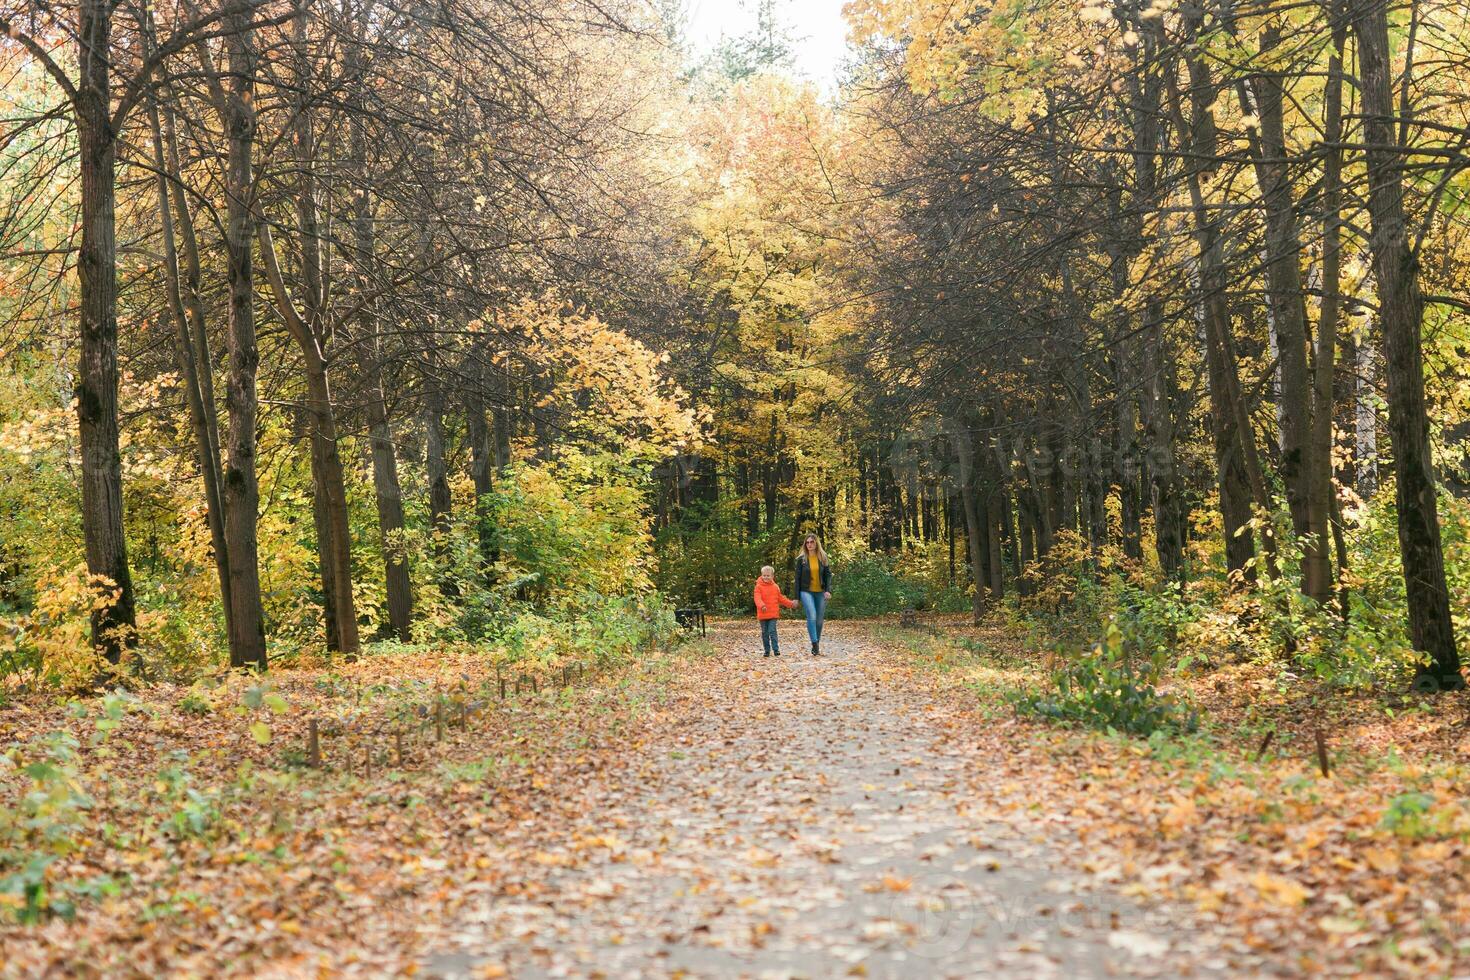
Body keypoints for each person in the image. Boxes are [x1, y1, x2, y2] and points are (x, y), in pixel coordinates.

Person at [793, 533, 833, 656]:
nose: (809, 544)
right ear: (805, 544)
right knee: (812, 615)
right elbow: (797, 578)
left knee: (819, 620)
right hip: (806, 591)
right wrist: (796, 598)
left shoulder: (823, 557)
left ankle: (817, 643)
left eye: (812, 542)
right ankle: (814, 644)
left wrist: (828, 590)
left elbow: (828, 575)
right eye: (807, 542)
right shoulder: (801, 559)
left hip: (820, 592)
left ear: (816, 543)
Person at [753, 565, 797, 658]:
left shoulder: (775, 587)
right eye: (764, 575)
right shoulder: (758, 587)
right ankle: (767, 651)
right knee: (765, 632)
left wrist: (790, 604)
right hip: (763, 614)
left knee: (772, 631)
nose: (766, 577)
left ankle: (776, 649)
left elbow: (780, 598)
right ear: (761, 575)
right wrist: (762, 605)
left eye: (768, 575)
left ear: (772, 576)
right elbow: (757, 598)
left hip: (773, 614)